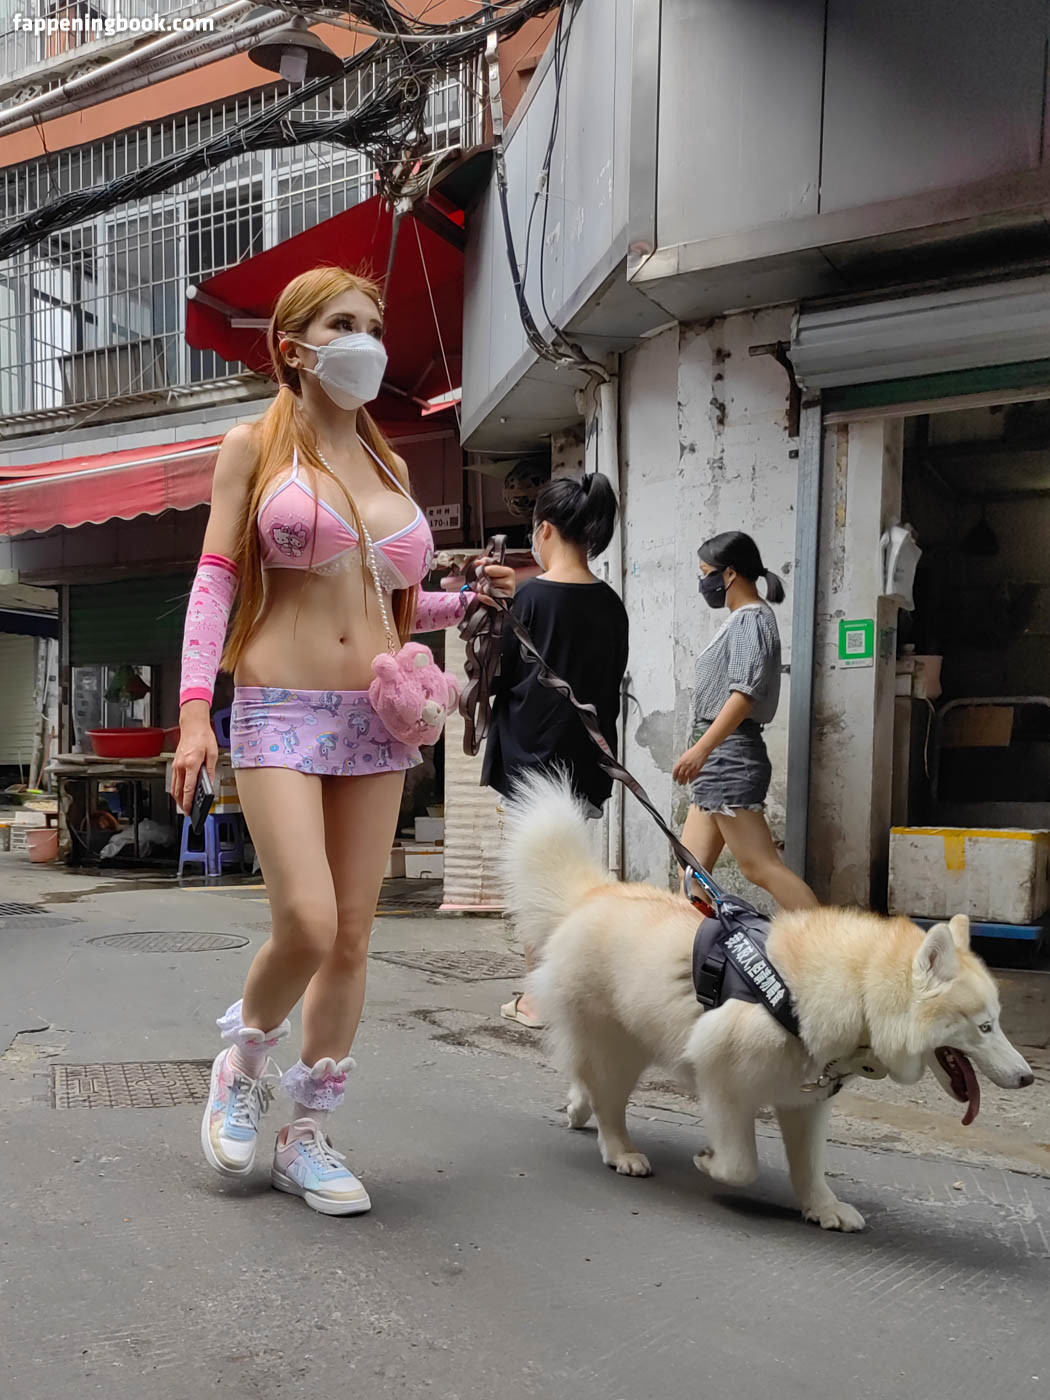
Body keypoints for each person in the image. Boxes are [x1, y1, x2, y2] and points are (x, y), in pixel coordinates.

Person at [172, 266, 514, 1216]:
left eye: (373, 323)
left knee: (354, 937)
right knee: (308, 921)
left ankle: (306, 1135)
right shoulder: (253, 448)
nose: (365, 339)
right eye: (341, 323)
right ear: (293, 347)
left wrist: (470, 599)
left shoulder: (389, 466)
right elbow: (216, 580)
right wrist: (195, 712)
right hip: (278, 707)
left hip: (375, 716)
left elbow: (391, 603)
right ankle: (242, 1064)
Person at [482, 473, 628, 1028]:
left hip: (530, 763)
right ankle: (571, 990)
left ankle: (540, 998)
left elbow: (498, 678)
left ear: (544, 529)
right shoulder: (611, 604)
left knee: (536, 882)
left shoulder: (531, 599)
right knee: (568, 879)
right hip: (587, 762)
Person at [672, 530, 817, 912]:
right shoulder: (744, 619)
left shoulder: (750, 620)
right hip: (720, 759)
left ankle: (828, 939)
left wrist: (701, 750)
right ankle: (694, 945)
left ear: (730, 573)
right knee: (692, 873)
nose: (703, 582)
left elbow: (743, 696)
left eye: (706, 573)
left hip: (727, 758)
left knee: (759, 866)